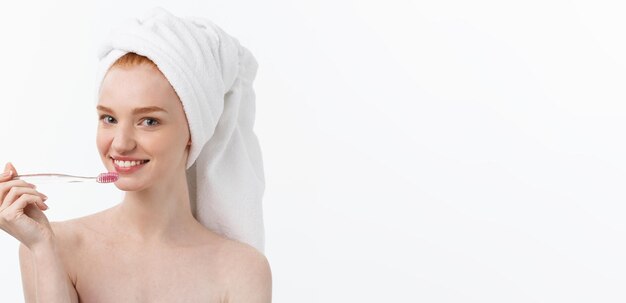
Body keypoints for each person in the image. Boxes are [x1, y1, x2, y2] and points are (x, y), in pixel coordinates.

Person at [0, 8, 271, 303]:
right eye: (109, 118)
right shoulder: (52, 246)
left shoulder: (241, 270)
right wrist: (42, 249)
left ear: (194, 130)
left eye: (149, 121)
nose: (121, 144)